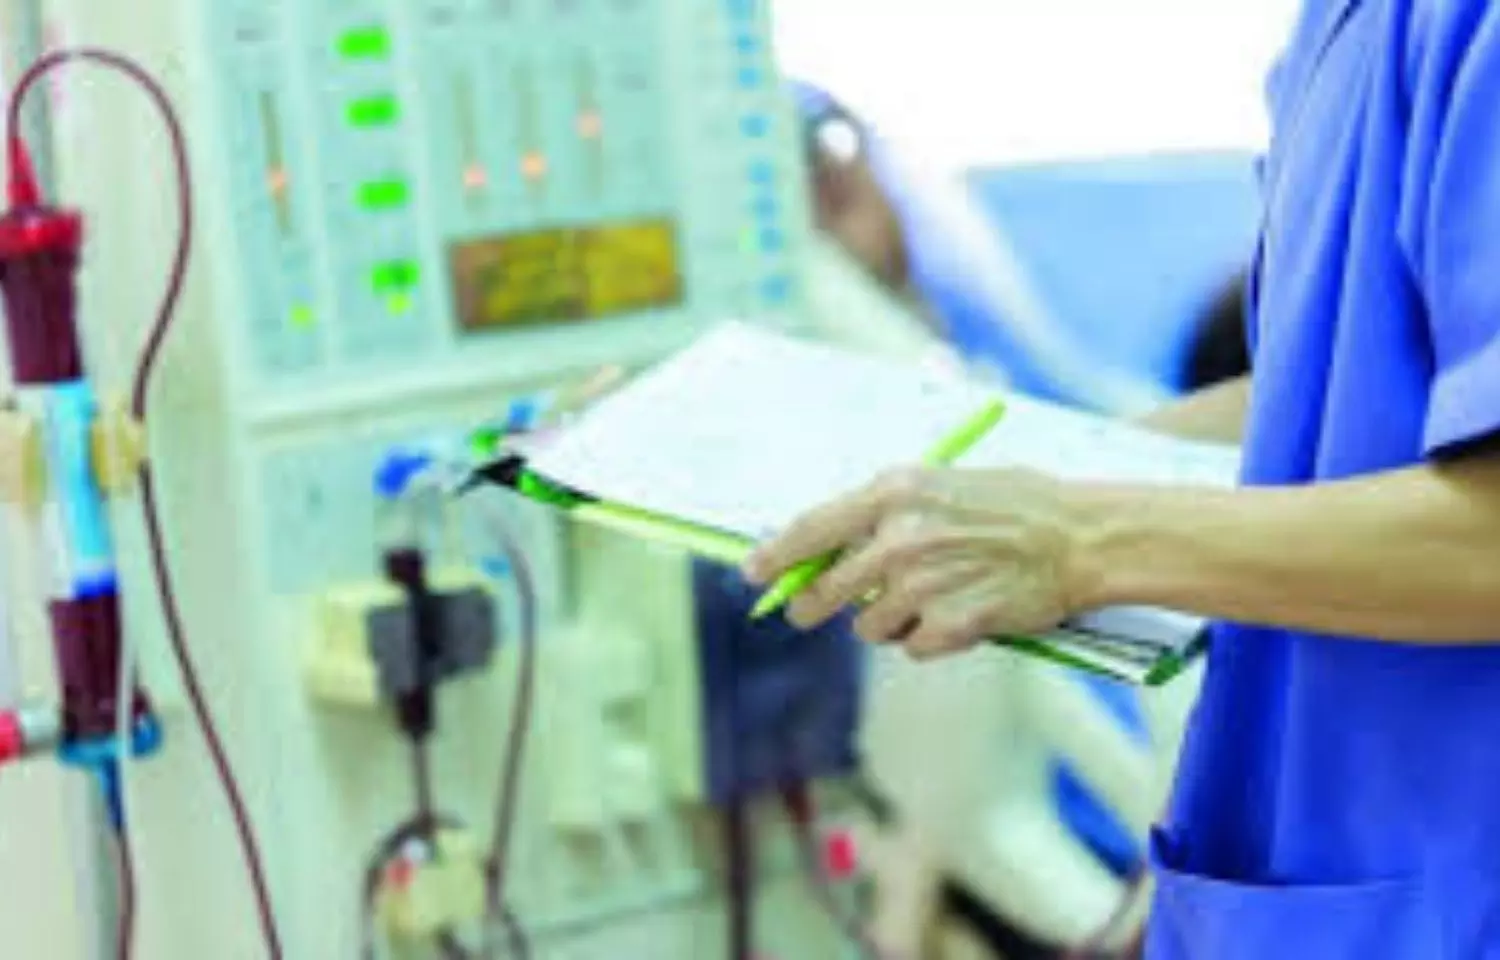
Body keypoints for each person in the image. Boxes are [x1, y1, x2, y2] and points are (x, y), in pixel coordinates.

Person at [748, 4, 1500, 956]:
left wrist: (1082, 541)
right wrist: (1004, 479)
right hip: (1336, 876)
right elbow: (1338, 402)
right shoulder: (1339, 36)